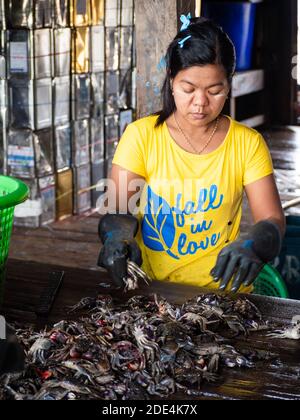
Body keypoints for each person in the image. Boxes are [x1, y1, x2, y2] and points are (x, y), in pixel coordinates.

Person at [98, 16, 285, 294]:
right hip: (153, 291)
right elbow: (118, 208)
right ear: (172, 80)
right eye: (188, 89)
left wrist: (255, 243)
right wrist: (117, 237)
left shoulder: (248, 144)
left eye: (215, 91)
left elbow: (272, 219)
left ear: (229, 85)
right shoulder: (141, 136)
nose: (200, 102)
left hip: (222, 294)